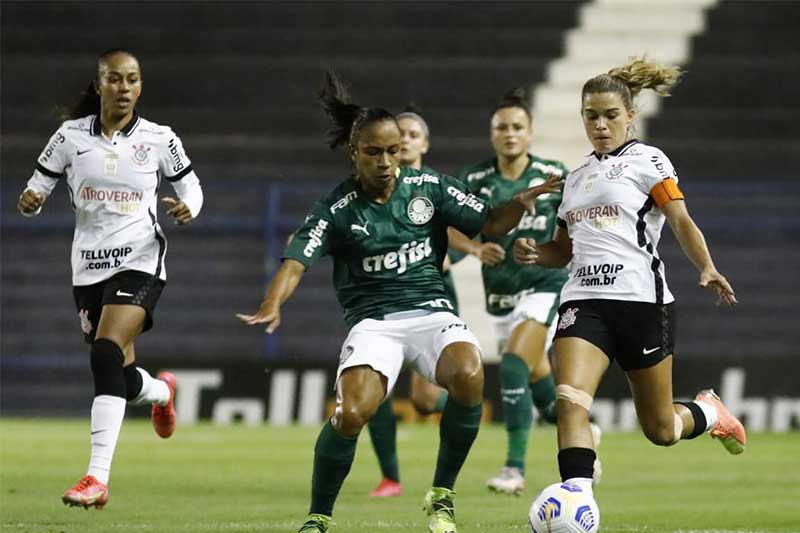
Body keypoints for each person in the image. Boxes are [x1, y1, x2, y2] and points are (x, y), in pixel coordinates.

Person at [238, 71, 562, 533]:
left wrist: (519, 203)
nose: (387, 161)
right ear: (354, 154)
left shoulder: (428, 187)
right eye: (374, 152)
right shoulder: (337, 208)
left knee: (470, 375)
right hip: (374, 324)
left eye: (393, 150)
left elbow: (489, 225)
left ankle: (442, 495)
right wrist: (273, 302)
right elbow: (295, 260)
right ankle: (318, 516)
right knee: (352, 414)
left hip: (431, 313)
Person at [514, 57, 745, 498]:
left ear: (630, 116)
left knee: (660, 429)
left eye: (610, 115)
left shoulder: (648, 161)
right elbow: (561, 251)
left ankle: (709, 412)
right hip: (582, 300)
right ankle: (576, 502)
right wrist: (534, 252)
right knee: (569, 400)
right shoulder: (575, 177)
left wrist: (707, 266)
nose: (600, 125)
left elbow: (679, 219)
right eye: (591, 116)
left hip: (641, 302)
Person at [16, 49, 203, 510]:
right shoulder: (69, 137)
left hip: (140, 258)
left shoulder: (159, 139)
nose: (124, 88)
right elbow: (39, 184)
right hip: (88, 266)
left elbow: (191, 186)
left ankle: (96, 477)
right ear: (99, 85)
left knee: (103, 352)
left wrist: (188, 208)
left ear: (140, 87)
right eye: (115, 79)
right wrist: (32, 200)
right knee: (117, 371)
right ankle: (161, 391)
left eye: (133, 79)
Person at [451, 88, 585, 495]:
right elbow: (453, 227)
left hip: (544, 285)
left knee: (511, 365)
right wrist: (474, 248)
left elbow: (575, 225)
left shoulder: (552, 175)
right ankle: (584, 434)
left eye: (517, 127)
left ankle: (514, 469)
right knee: (537, 375)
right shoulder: (474, 179)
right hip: (501, 293)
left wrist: (547, 252)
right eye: (501, 127)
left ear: (530, 133)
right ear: (491, 134)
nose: (509, 133)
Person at [365, 107, 451, 499]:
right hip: (383, 298)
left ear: (424, 144)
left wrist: (455, 254)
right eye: (401, 135)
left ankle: (468, 401)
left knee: (425, 398)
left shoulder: (436, 186)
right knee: (374, 386)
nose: (407, 140)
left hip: (432, 299)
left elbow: (470, 233)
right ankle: (391, 477)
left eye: (414, 134)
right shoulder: (374, 187)